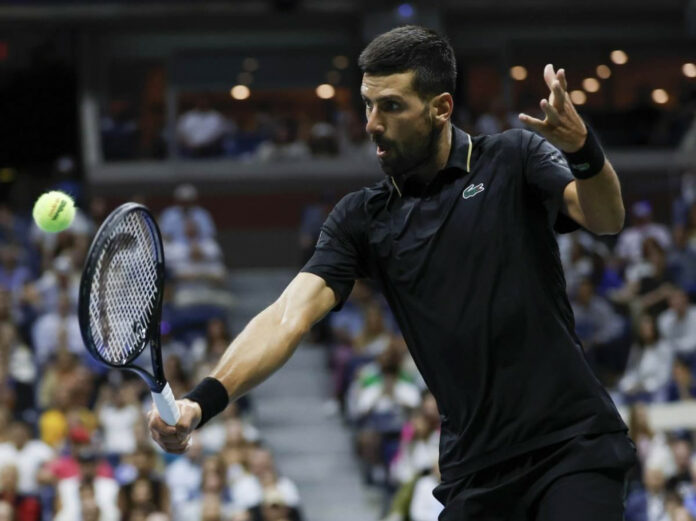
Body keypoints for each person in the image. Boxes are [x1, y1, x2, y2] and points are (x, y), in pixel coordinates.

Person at [149, 26, 636, 520]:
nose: (372, 124)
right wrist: (200, 402)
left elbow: (605, 217)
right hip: (475, 472)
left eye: (391, 107)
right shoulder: (362, 219)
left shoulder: (512, 158)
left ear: (441, 108)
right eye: (367, 105)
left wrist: (584, 151)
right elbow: (286, 317)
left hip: (571, 446)